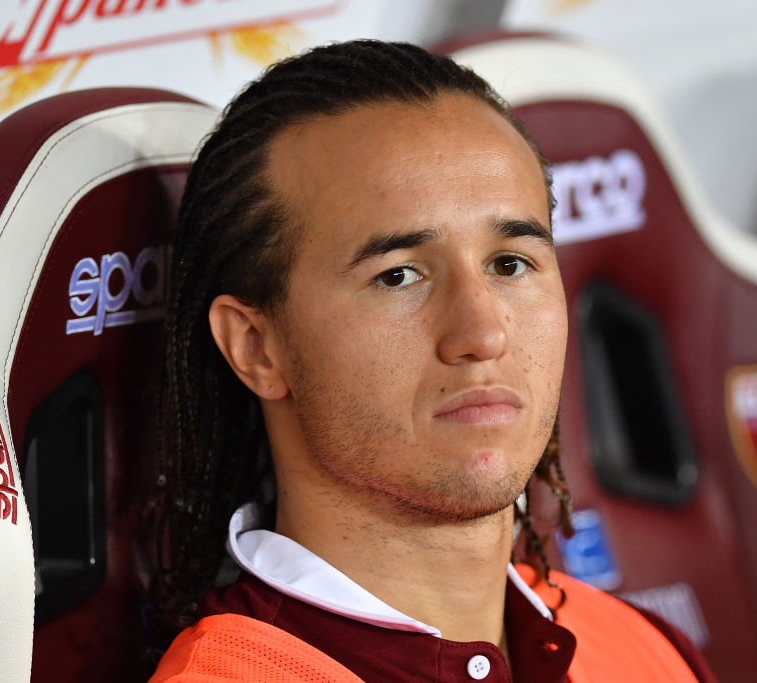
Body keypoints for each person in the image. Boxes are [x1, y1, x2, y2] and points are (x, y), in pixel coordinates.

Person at [149, 39, 715, 682]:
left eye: (510, 264)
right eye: (398, 276)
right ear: (255, 347)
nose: (483, 333)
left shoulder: (644, 650)